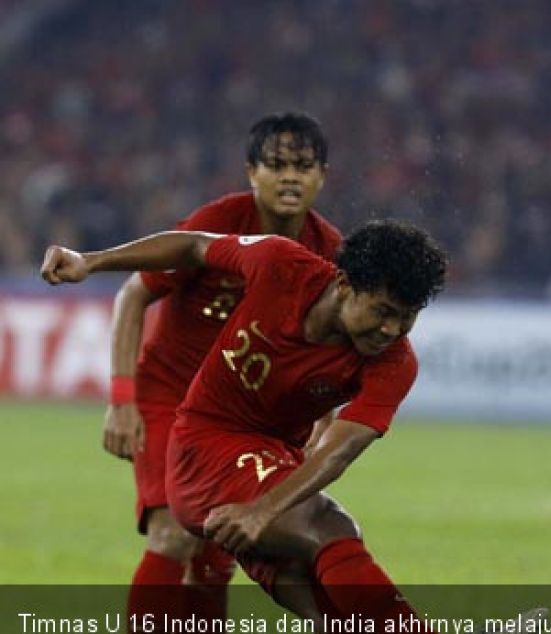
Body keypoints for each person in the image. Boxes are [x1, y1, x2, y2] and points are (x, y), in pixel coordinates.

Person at [43, 220, 447, 623]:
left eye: (406, 318)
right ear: (343, 285)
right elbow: (193, 247)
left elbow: (339, 452)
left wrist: (264, 509)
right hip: (203, 445)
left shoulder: (395, 363)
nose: (391, 330)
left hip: (272, 460)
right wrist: (91, 261)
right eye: (383, 311)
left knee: (310, 585)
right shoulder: (280, 264)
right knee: (327, 524)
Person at [105, 113, 343, 623]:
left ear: (322, 174)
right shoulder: (214, 225)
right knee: (173, 534)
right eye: (276, 165)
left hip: (241, 417)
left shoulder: (330, 253)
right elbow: (133, 295)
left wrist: (322, 418)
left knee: (217, 557)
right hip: (170, 397)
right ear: (251, 172)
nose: (290, 178)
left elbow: (334, 346)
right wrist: (122, 401)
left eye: (302, 167)